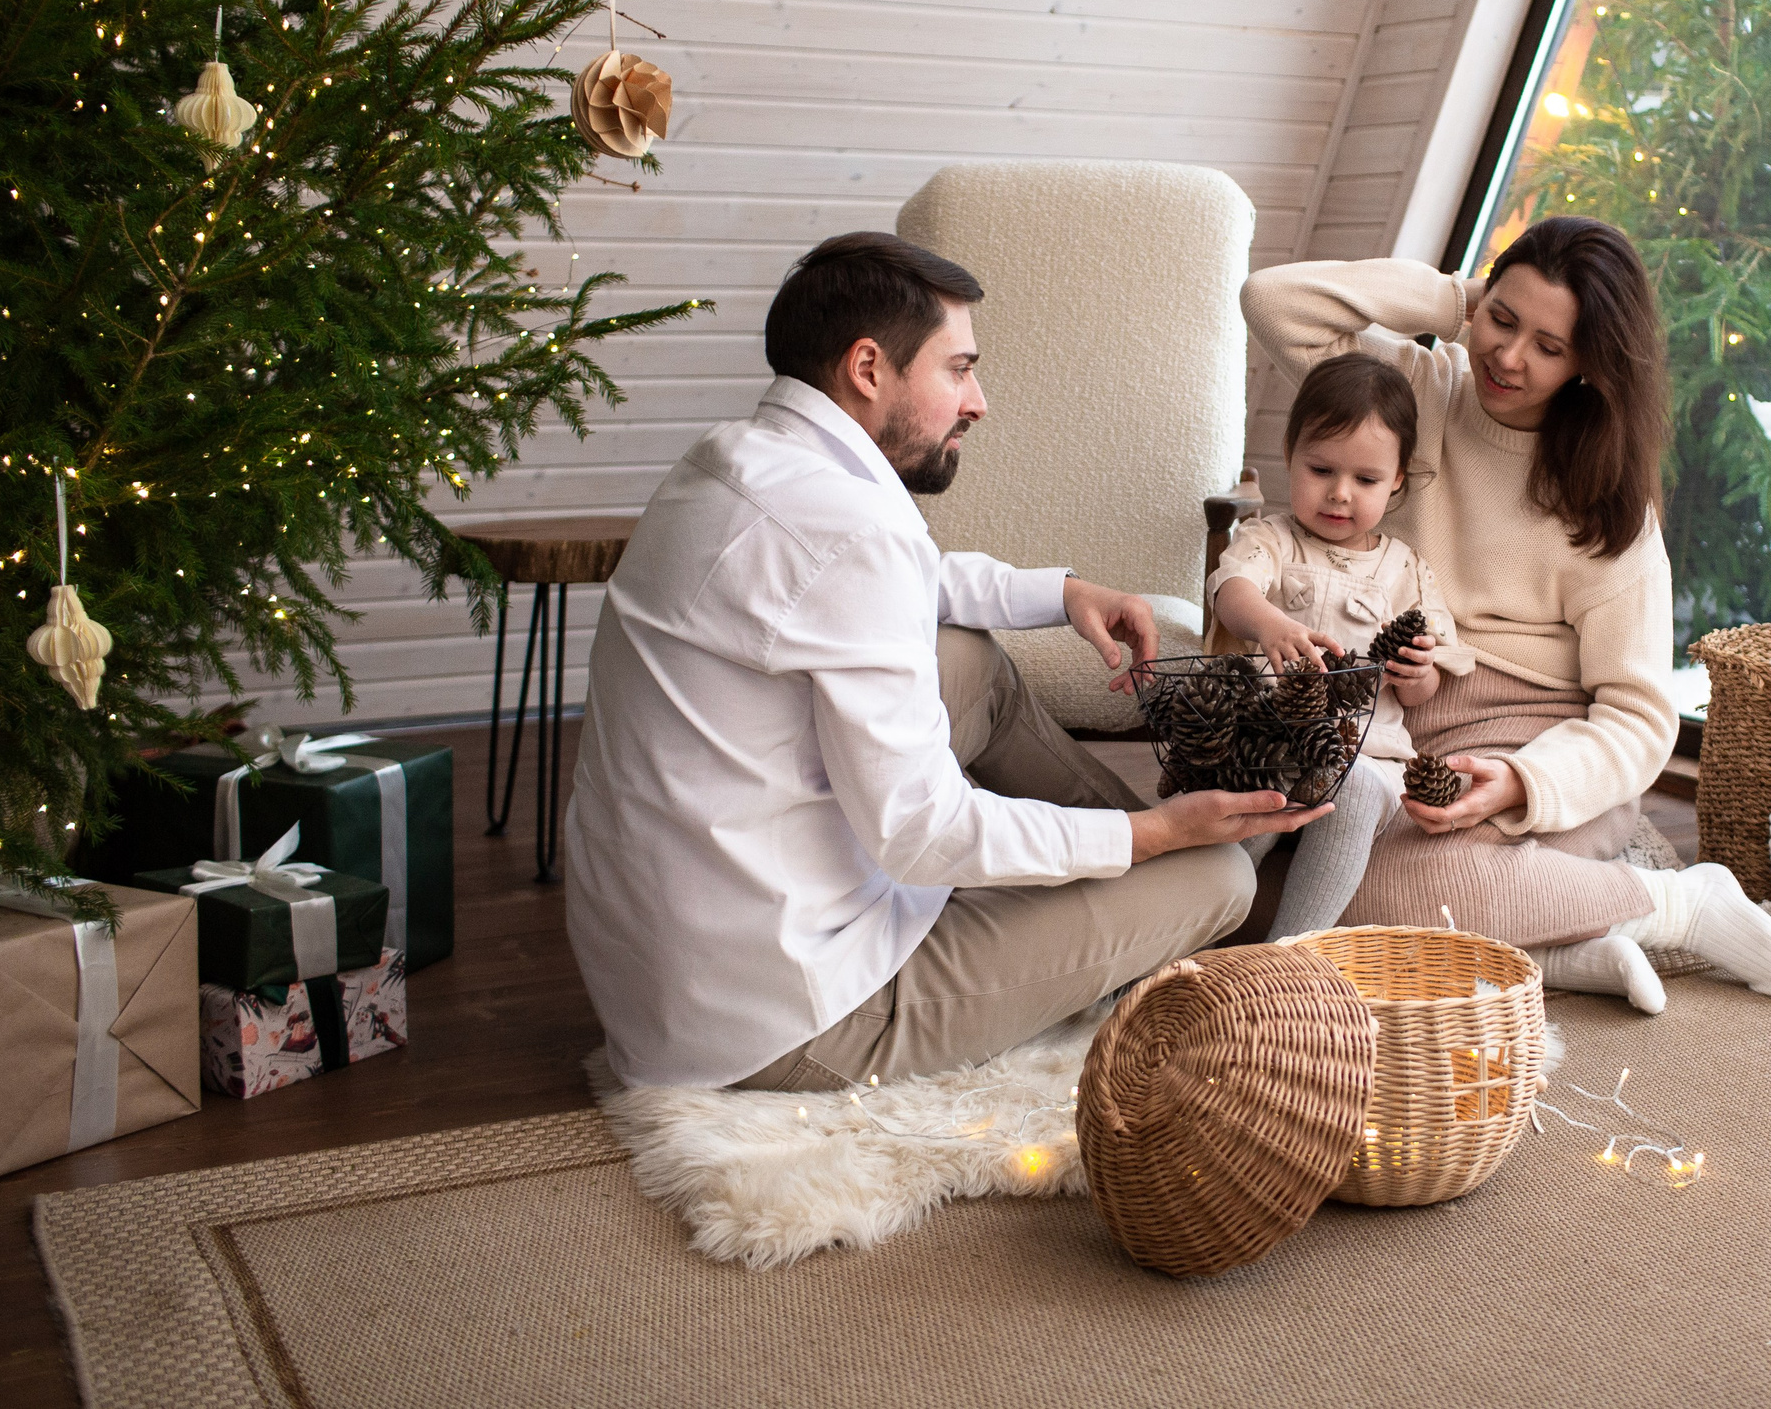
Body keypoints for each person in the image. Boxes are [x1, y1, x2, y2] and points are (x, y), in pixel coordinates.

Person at [566, 231, 1335, 1092]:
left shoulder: (728, 462)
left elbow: (902, 587)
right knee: (1223, 878)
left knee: (964, 658)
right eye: (958, 368)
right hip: (792, 1021)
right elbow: (921, 831)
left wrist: (1064, 589)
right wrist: (1152, 832)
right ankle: (1162, 856)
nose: (978, 400)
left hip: (673, 972)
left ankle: (1131, 864)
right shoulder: (855, 531)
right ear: (868, 368)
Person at [1239, 216, 1771, 1008]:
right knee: (1270, 859)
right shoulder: (1418, 390)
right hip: (1389, 718)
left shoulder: (1609, 501)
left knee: (1367, 880)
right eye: (1503, 321)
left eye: (1550, 346)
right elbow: (1273, 300)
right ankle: (1568, 949)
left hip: (1538, 738)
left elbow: (1641, 717)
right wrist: (1459, 302)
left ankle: (1682, 905)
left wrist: (1520, 780)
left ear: (1591, 363)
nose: (1509, 359)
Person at [1204, 352, 1472, 937]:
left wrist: (1416, 672)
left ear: (1398, 478)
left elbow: (1425, 692)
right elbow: (1232, 590)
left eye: (1367, 480)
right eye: (1320, 469)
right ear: (1289, 456)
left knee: (1352, 794)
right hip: (1271, 736)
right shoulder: (1271, 539)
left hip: (1366, 751)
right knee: (1254, 794)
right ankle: (1182, 934)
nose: (1339, 494)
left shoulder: (1407, 569)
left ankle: (1289, 954)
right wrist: (1270, 624)